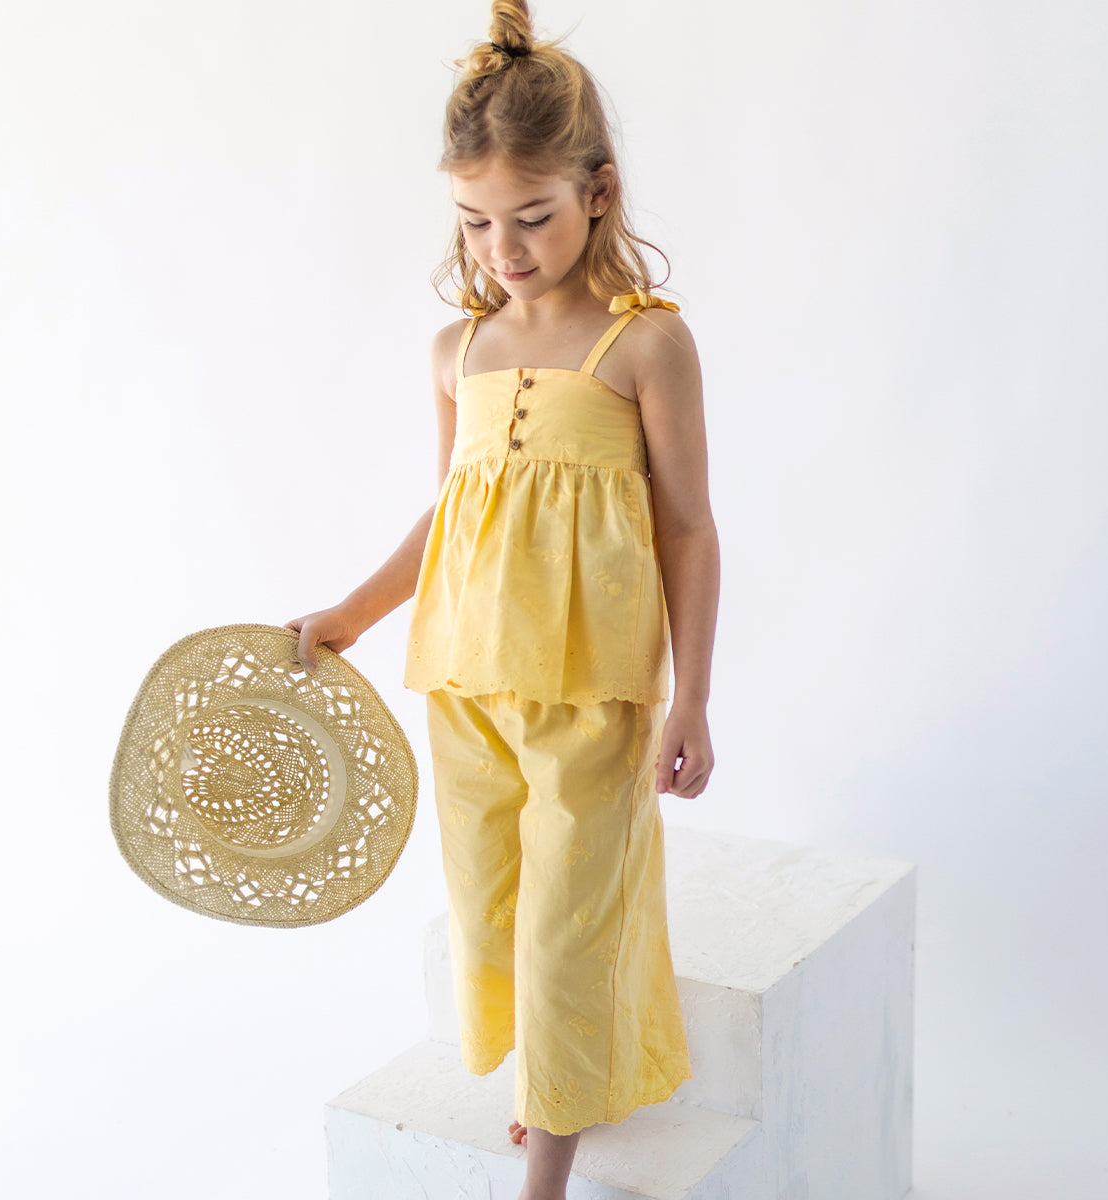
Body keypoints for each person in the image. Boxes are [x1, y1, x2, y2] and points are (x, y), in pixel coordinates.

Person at [287, 2, 719, 1196]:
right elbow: (450, 516)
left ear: (599, 191)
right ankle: (553, 1072)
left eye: (531, 218)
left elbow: (687, 525)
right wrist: (353, 614)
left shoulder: (645, 347)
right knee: (491, 911)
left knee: (567, 924)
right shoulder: (456, 353)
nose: (503, 248)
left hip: (593, 688)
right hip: (465, 677)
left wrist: (692, 698)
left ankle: (553, 1150)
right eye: (475, 222)